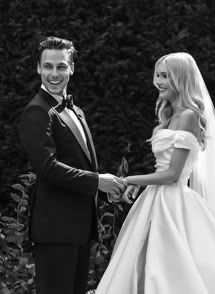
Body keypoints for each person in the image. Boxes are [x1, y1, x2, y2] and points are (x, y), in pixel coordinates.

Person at [95, 52, 215, 294]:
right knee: (142, 260)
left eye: (165, 76)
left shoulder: (189, 116)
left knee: (168, 264)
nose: (158, 81)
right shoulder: (170, 116)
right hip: (156, 198)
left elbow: (172, 175)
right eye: (157, 75)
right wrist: (140, 184)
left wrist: (130, 179)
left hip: (173, 202)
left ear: (180, 79)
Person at [18, 36, 127, 294]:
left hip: (78, 228)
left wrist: (103, 188)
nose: (54, 74)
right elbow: (48, 167)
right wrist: (97, 181)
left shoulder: (75, 110)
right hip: (55, 230)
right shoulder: (37, 112)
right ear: (38, 68)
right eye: (48, 66)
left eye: (61, 66)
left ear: (72, 68)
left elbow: (81, 162)